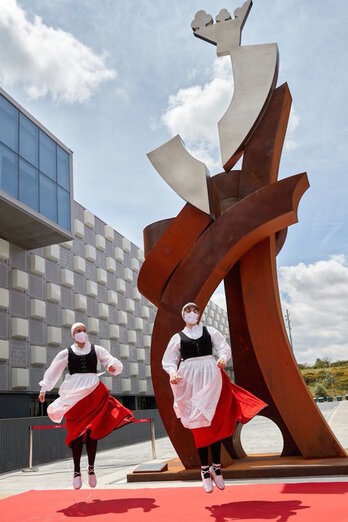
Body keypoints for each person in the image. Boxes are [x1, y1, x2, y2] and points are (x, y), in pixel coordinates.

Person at [162, 302, 267, 493]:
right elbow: (168, 360)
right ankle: (204, 470)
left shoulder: (210, 331)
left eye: (195, 310)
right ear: (183, 315)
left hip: (211, 375)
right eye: (188, 310)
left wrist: (222, 358)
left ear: (199, 314)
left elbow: (223, 347)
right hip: (190, 379)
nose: (192, 313)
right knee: (199, 424)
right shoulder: (177, 337)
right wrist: (172, 372)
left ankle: (216, 467)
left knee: (216, 421)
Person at [38, 322, 133, 489]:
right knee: (75, 433)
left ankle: (91, 468)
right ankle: (76, 471)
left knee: (92, 432)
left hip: (93, 392)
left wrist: (112, 367)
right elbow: (54, 371)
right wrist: (44, 389)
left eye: (83, 330)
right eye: (78, 331)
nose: (81, 333)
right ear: (73, 334)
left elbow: (110, 361)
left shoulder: (96, 349)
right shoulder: (66, 353)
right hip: (73, 394)